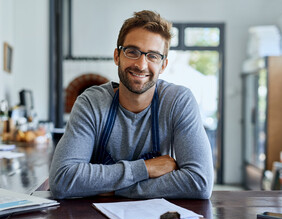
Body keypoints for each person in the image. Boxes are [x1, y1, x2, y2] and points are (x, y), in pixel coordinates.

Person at [49, 10, 214, 199]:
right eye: (132, 52)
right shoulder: (91, 103)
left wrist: (113, 190)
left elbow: (200, 182)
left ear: (163, 65)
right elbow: (62, 180)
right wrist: (146, 168)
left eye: (153, 56)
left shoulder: (178, 101)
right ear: (117, 56)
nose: (141, 65)